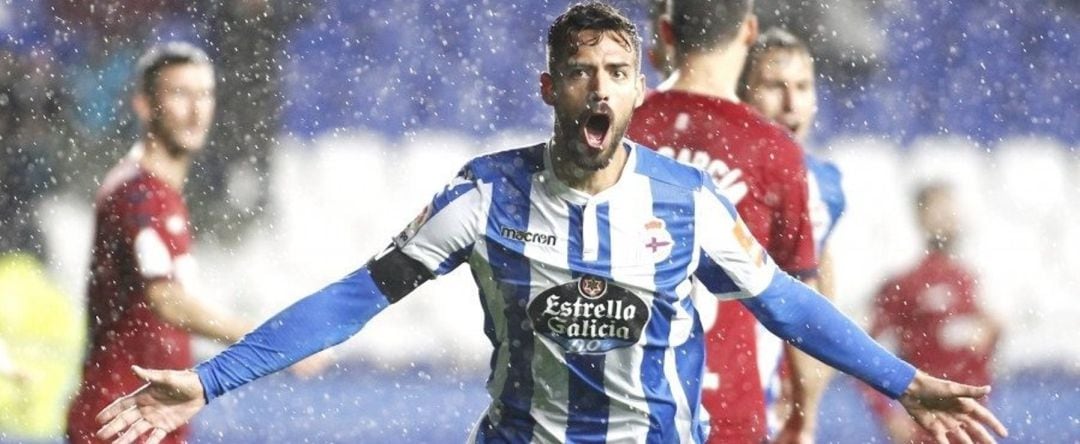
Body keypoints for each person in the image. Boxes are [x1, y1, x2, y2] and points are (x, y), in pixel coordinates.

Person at [95, 5, 1006, 444]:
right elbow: (352, 299)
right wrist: (210, 383)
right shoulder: (486, 195)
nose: (599, 87)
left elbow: (788, 305)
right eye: (581, 71)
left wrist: (900, 380)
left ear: (638, 90)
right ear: (551, 88)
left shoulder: (685, 203)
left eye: (617, 71)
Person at [65, 42, 327, 444]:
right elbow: (166, 300)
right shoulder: (142, 195)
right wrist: (271, 342)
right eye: (179, 93)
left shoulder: (149, 188)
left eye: (204, 94)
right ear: (143, 104)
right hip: (124, 418)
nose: (196, 109)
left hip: (144, 415)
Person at [627, 1, 824, 441]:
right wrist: (803, 416)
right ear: (750, 31)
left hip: (621, 408)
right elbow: (802, 306)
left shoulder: (619, 128)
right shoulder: (775, 151)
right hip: (726, 417)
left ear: (667, 33)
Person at [739, 26, 847, 440]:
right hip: (724, 377)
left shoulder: (827, 185)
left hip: (784, 389)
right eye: (773, 86)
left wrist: (808, 406)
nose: (791, 103)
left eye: (803, 86)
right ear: (743, 92)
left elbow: (821, 298)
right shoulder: (719, 175)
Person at [865, 183, 1002, 444]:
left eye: (951, 209)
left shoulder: (971, 279)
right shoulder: (904, 283)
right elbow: (864, 355)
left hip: (971, 427)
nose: (948, 217)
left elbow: (984, 347)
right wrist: (888, 415)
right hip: (926, 426)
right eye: (938, 210)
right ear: (920, 217)